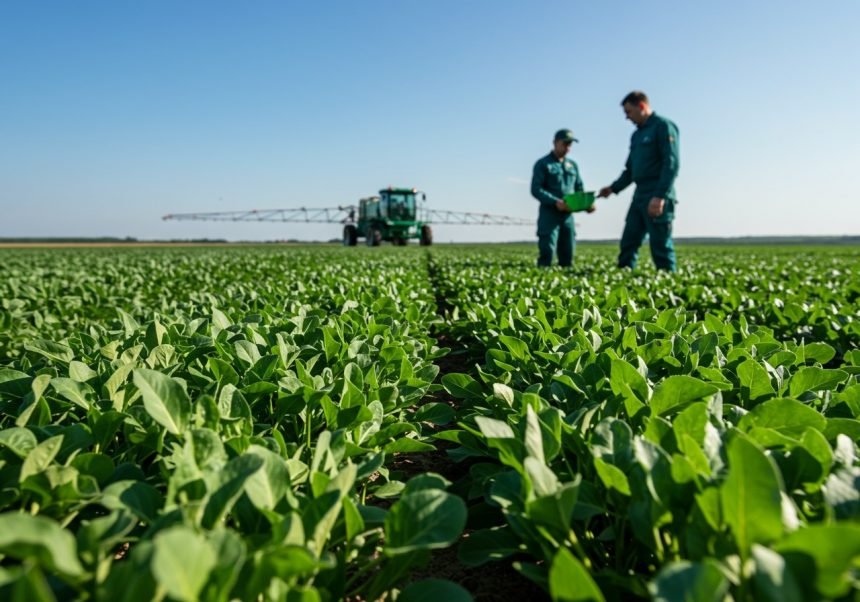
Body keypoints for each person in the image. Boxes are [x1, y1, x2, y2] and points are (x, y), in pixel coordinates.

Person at [597, 91, 680, 271]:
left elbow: (671, 164)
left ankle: (670, 283)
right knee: (629, 241)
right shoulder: (636, 135)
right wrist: (612, 188)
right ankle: (623, 285)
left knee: (660, 245)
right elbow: (630, 170)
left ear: (641, 106)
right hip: (640, 194)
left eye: (629, 112)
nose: (627, 117)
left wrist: (659, 196)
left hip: (658, 191)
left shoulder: (663, 126)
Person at [531, 129, 595, 267]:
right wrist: (555, 202)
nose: (568, 148)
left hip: (567, 216)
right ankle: (543, 278)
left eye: (570, 145)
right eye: (565, 144)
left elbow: (579, 188)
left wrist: (586, 204)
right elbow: (536, 189)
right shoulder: (543, 164)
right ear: (555, 143)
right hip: (549, 213)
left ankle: (565, 281)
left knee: (568, 252)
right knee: (547, 250)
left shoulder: (572, 165)